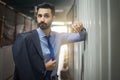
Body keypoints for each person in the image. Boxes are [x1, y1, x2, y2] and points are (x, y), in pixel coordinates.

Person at [12, 2, 87, 80]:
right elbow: (22, 66)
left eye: (46, 16)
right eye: (39, 16)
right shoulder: (27, 39)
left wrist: (80, 28)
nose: (42, 19)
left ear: (53, 18)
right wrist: (43, 67)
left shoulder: (59, 36)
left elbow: (82, 36)